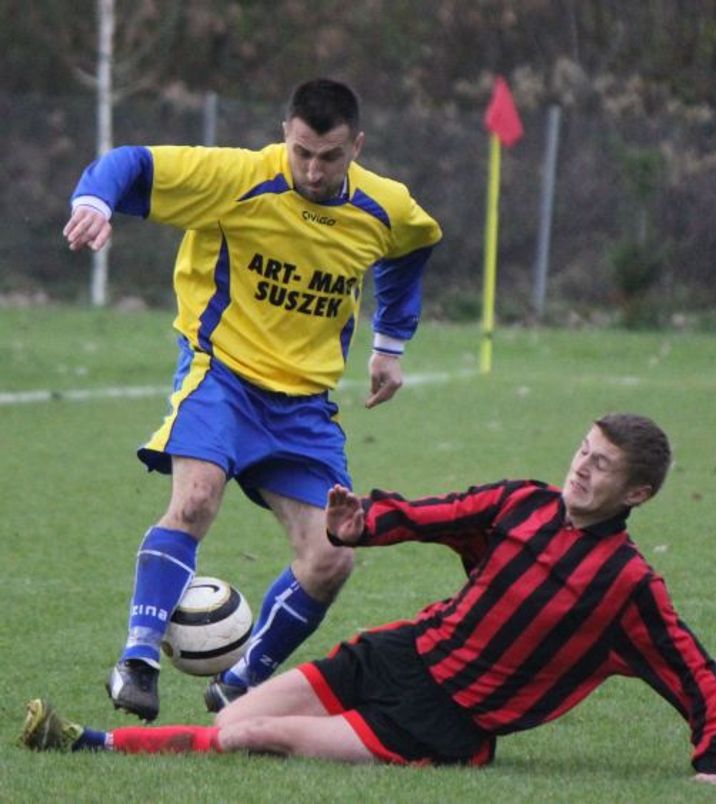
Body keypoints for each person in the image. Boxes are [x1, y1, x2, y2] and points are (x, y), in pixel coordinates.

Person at [21, 414, 716, 784]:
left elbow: (696, 675)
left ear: (637, 494)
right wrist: (361, 524)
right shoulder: (522, 502)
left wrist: (714, 762)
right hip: (396, 655)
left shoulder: (628, 586)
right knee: (236, 718)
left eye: (602, 466)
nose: (581, 469)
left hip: (442, 725)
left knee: (244, 738)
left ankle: (88, 741)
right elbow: (437, 513)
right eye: (583, 451)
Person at [62, 78, 443, 722]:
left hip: (304, 407)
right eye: (301, 152)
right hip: (223, 377)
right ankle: (137, 661)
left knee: (331, 555)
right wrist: (95, 199)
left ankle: (242, 682)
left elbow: (414, 245)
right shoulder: (236, 177)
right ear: (284, 134)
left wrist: (391, 343)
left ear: (357, 146)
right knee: (196, 498)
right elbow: (131, 162)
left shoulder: (386, 206)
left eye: (330, 156)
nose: (313, 170)